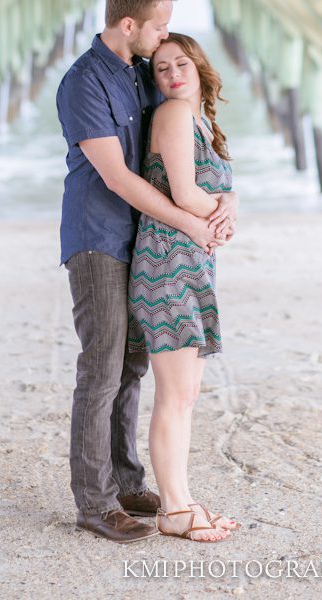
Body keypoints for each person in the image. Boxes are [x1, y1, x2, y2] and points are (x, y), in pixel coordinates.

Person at [56, 0, 237, 545]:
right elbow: (117, 178)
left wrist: (228, 199)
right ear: (129, 23)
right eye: (160, 26)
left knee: (134, 368)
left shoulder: (142, 72)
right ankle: (95, 502)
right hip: (100, 237)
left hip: (146, 240)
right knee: (104, 366)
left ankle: (128, 480)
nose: (166, 38)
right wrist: (193, 222)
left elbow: (188, 143)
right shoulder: (85, 82)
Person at [127, 32, 238, 542]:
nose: (171, 75)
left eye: (180, 66)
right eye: (162, 69)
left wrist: (228, 209)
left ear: (199, 70)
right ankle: (174, 509)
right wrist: (221, 216)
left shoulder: (202, 122)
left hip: (191, 260)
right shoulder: (171, 116)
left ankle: (183, 499)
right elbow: (185, 191)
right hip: (166, 262)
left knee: (186, 393)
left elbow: (222, 188)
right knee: (174, 394)